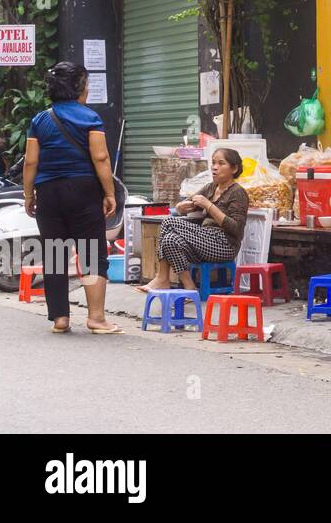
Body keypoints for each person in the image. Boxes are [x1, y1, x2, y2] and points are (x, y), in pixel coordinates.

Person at [22, 62, 121, 334]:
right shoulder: (89, 118)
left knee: (55, 252)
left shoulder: (40, 120)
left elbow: (31, 162)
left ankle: (60, 319)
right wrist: (109, 193)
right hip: (83, 191)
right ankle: (96, 318)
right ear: (79, 87)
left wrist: (29, 194)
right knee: (90, 252)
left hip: (48, 192)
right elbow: (100, 157)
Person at [138, 148, 249, 293]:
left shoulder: (238, 193)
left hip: (224, 245)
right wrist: (181, 207)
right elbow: (184, 205)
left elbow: (236, 229)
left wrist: (208, 206)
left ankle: (162, 278)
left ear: (234, 169)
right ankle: (189, 287)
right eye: (213, 163)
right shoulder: (211, 187)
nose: (215, 167)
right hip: (204, 240)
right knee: (170, 240)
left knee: (168, 222)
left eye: (221, 163)